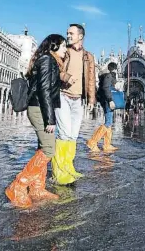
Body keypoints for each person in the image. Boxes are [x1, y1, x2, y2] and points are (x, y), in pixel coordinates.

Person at [5, 34, 66, 208]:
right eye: (63, 46)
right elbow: (44, 90)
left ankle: (37, 188)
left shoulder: (47, 60)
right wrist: (50, 118)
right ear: (53, 46)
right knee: (48, 150)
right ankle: (18, 186)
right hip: (40, 109)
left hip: (40, 108)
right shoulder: (47, 60)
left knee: (42, 147)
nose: (65, 49)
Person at [52, 24, 96, 185]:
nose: (68, 35)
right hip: (63, 95)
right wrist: (65, 77)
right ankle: (59, 172)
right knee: (63, 133)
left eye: (71, 33)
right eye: (67, 33)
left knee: (73, 135)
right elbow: (54, 69)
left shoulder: (88, 56)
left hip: (78, 99)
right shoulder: (64, 51)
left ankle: (68, 166)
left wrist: (91, 99)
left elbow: (91, 78)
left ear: (80, 36)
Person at [87, 62, 119, 152]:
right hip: (107, 101)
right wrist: (110, 100)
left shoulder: (106, 75)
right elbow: (106, 88)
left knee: (109, 122)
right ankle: (92, 141)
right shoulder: (109, 76)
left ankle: (107, 145)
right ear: (115, 69)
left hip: (105, 100)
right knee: (108, 122)